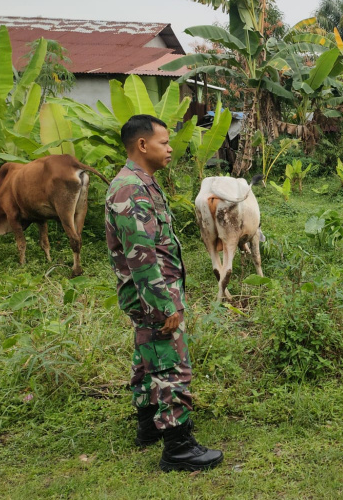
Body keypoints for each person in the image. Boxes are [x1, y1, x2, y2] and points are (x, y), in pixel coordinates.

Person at [105, 114, 223, 472]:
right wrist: (163, 305)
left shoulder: (142, 182)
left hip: (152, 292)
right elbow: (141, 256)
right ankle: (178, 446)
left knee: (147, 358)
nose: (170, 147)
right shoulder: (131, 189)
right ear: (142, 145)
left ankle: (148, 426)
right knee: (170, 364)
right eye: (163, 142)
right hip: (154, 294)